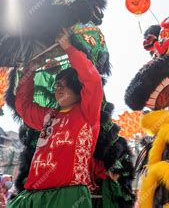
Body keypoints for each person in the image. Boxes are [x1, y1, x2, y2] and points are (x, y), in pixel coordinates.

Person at [8, 29, 103, 208]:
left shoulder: (87, 113)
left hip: (69, 196)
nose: (58, 89)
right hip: (32, 196)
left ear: (78, 88)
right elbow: (24, 106)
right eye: (57, 85)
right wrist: (30, 70)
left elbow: (92, 80)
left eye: (65, 85)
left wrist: (68, 48)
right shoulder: (48, 116)